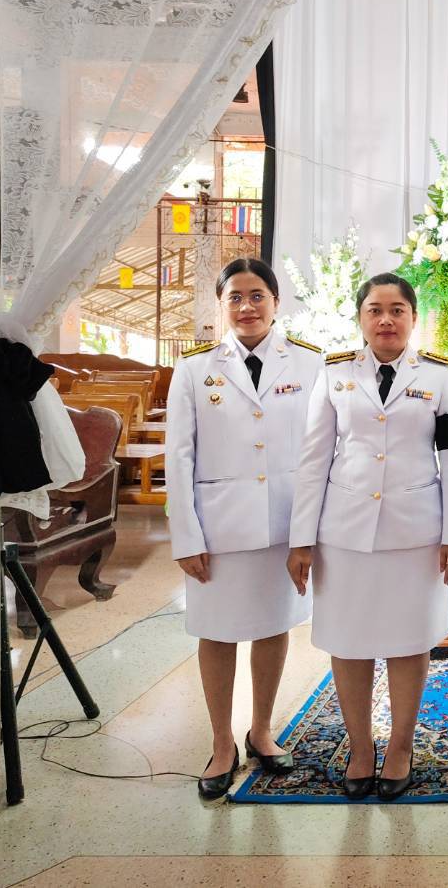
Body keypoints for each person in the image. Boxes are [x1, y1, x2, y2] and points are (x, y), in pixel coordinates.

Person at [287, 273, 448, 802]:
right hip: (344, 531)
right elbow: (313, 457)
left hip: (415, 532)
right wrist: (302, 539)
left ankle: (401, 747)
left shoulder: (439, 376)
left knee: (409, 640)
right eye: (374, 310)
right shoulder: (334, 373)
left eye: (397, 310)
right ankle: (361, 746)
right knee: (349, 639)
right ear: (361, 318)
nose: (386, 319)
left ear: (414, 317)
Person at [166, 256, 325, 800]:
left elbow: (319, 453)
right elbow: (179, 457)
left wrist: (308, 534)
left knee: (271, 626)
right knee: (216, 633)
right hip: (219, 529)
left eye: (257, 295)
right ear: (222, 304)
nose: (247, 306)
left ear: (276, 302)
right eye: (235, 297)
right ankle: (220, 743)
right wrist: (186, 537)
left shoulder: (309, 365)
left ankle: (261, 730)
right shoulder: (194, 369)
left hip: (282, 525)